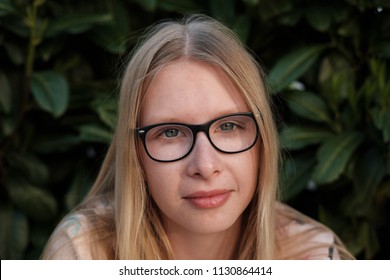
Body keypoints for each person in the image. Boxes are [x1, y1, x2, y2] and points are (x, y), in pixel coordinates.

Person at [42, 14, 353, 260]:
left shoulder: (311, 257)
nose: (205, 166)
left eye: (229, 126)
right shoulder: (83, 255)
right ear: (135, 152)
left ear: (263, 141)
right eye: (171, 132)